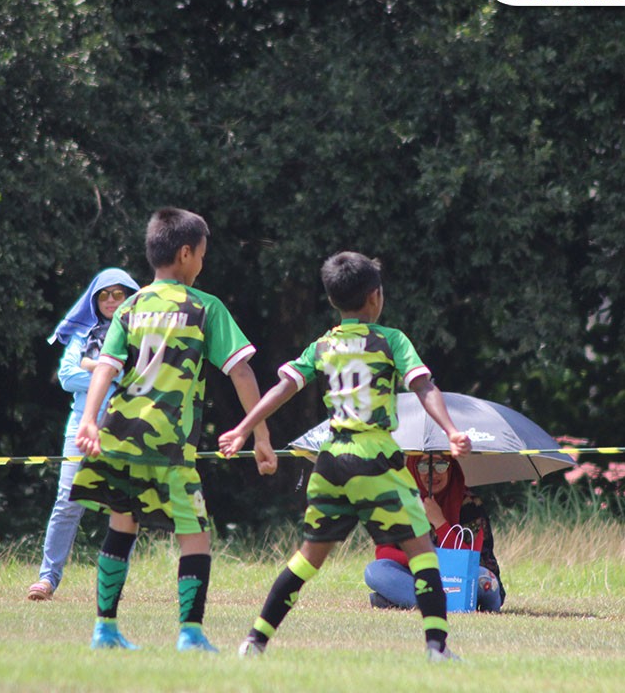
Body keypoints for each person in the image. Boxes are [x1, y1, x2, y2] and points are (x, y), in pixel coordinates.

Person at [218, 251, 473, 662]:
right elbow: (424, 386)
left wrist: (245, 427)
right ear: (375, 297)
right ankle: (437, 648)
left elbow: (283, 388)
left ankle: (255, 640)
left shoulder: (322, 345)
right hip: (375, 457)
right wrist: (451, 430)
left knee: (308, 558)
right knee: (422, 550)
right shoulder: (391, 340)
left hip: (331, 459)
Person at [71, 207, 277, 652]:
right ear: (185, 253)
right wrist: (258, 435)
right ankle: (190, 634)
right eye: (202, 255)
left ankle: (104, 629)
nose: (203, 263)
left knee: (121, 525)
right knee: (195, 534)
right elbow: (241, 373)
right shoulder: (205, 308)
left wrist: (88, 420)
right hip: (170, 446)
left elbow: (105, 368)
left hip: (120, 435)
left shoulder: (131, 305)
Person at [27, 268, 141, 602]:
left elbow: (144, 377)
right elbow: (66, 376)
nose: (110, 300)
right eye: (104, 295)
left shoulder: (142, 333)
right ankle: (47, 579)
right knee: (67, 502)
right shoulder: (84, 332)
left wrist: (95, 367)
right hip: (81, 425)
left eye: (118, 294)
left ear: (130, 297)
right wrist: (114, 374)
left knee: (125, 506)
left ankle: (113, 584)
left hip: (128, 426)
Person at [364, 455, 504, 612]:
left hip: (465, 579)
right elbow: (383, 552)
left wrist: (440, 523)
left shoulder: (470, 504)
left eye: (441, 465)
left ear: (451, 468)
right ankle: (447, 603)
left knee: (485, 579)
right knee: (375, 571)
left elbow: (470, 561)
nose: (432, 473)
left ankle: (400, 600)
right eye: (423, 466)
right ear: (413, 469)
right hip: (421, 578)